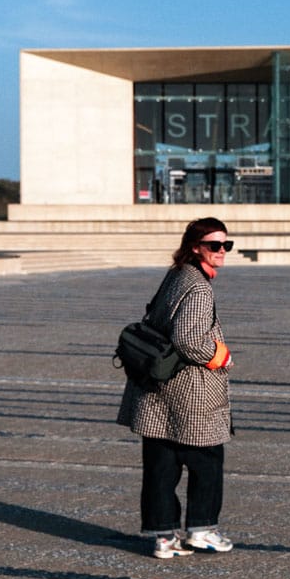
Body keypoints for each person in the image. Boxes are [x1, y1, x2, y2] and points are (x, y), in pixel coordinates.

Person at [117, 216, 235, 558]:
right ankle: (202, 530)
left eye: (226, 245)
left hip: (156, 389)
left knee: (161, 465)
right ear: (195, 247)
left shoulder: (176, 275)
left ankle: (163, 537)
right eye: (214, 245)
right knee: (207, 460)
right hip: (191, 392)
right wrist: (219, 357)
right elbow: (187, 338)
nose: (222, 251)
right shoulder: (198, 286)